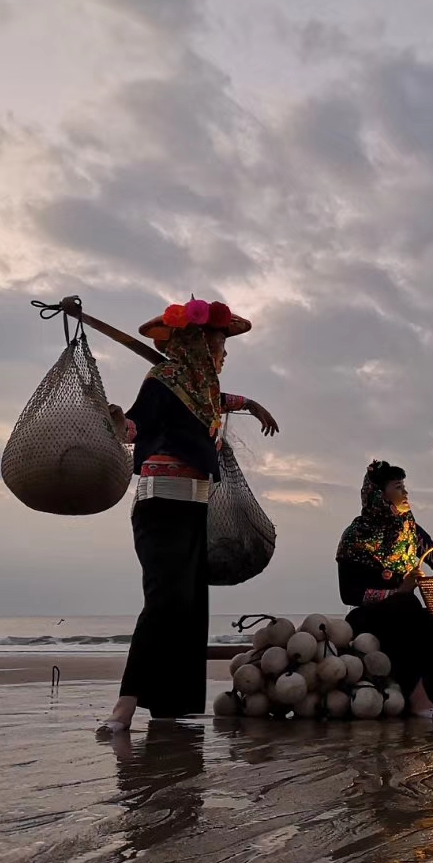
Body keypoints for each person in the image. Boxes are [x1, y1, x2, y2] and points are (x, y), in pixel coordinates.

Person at [97, 298, 278, 734]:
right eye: (219, 343)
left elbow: (218, 400)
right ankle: (124, 706)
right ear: (198, 343)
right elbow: (136, 424)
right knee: (164, 602)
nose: (224, 353)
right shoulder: (162, 380)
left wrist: (251, 404)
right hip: (161, 507)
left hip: (194, 509)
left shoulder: (203, 390)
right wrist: (120, 423)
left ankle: (170, 706)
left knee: (190, 607)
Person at [336, 460, 433, 719]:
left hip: (406, 614)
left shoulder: (410, 529)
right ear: (379, 494)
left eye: (405, 487)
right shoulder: (355, 536)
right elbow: (349, 593)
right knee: (406, 605)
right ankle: (415, 695)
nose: (405, 493)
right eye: (399, 487)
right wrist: (397, 591)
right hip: (371, 616)